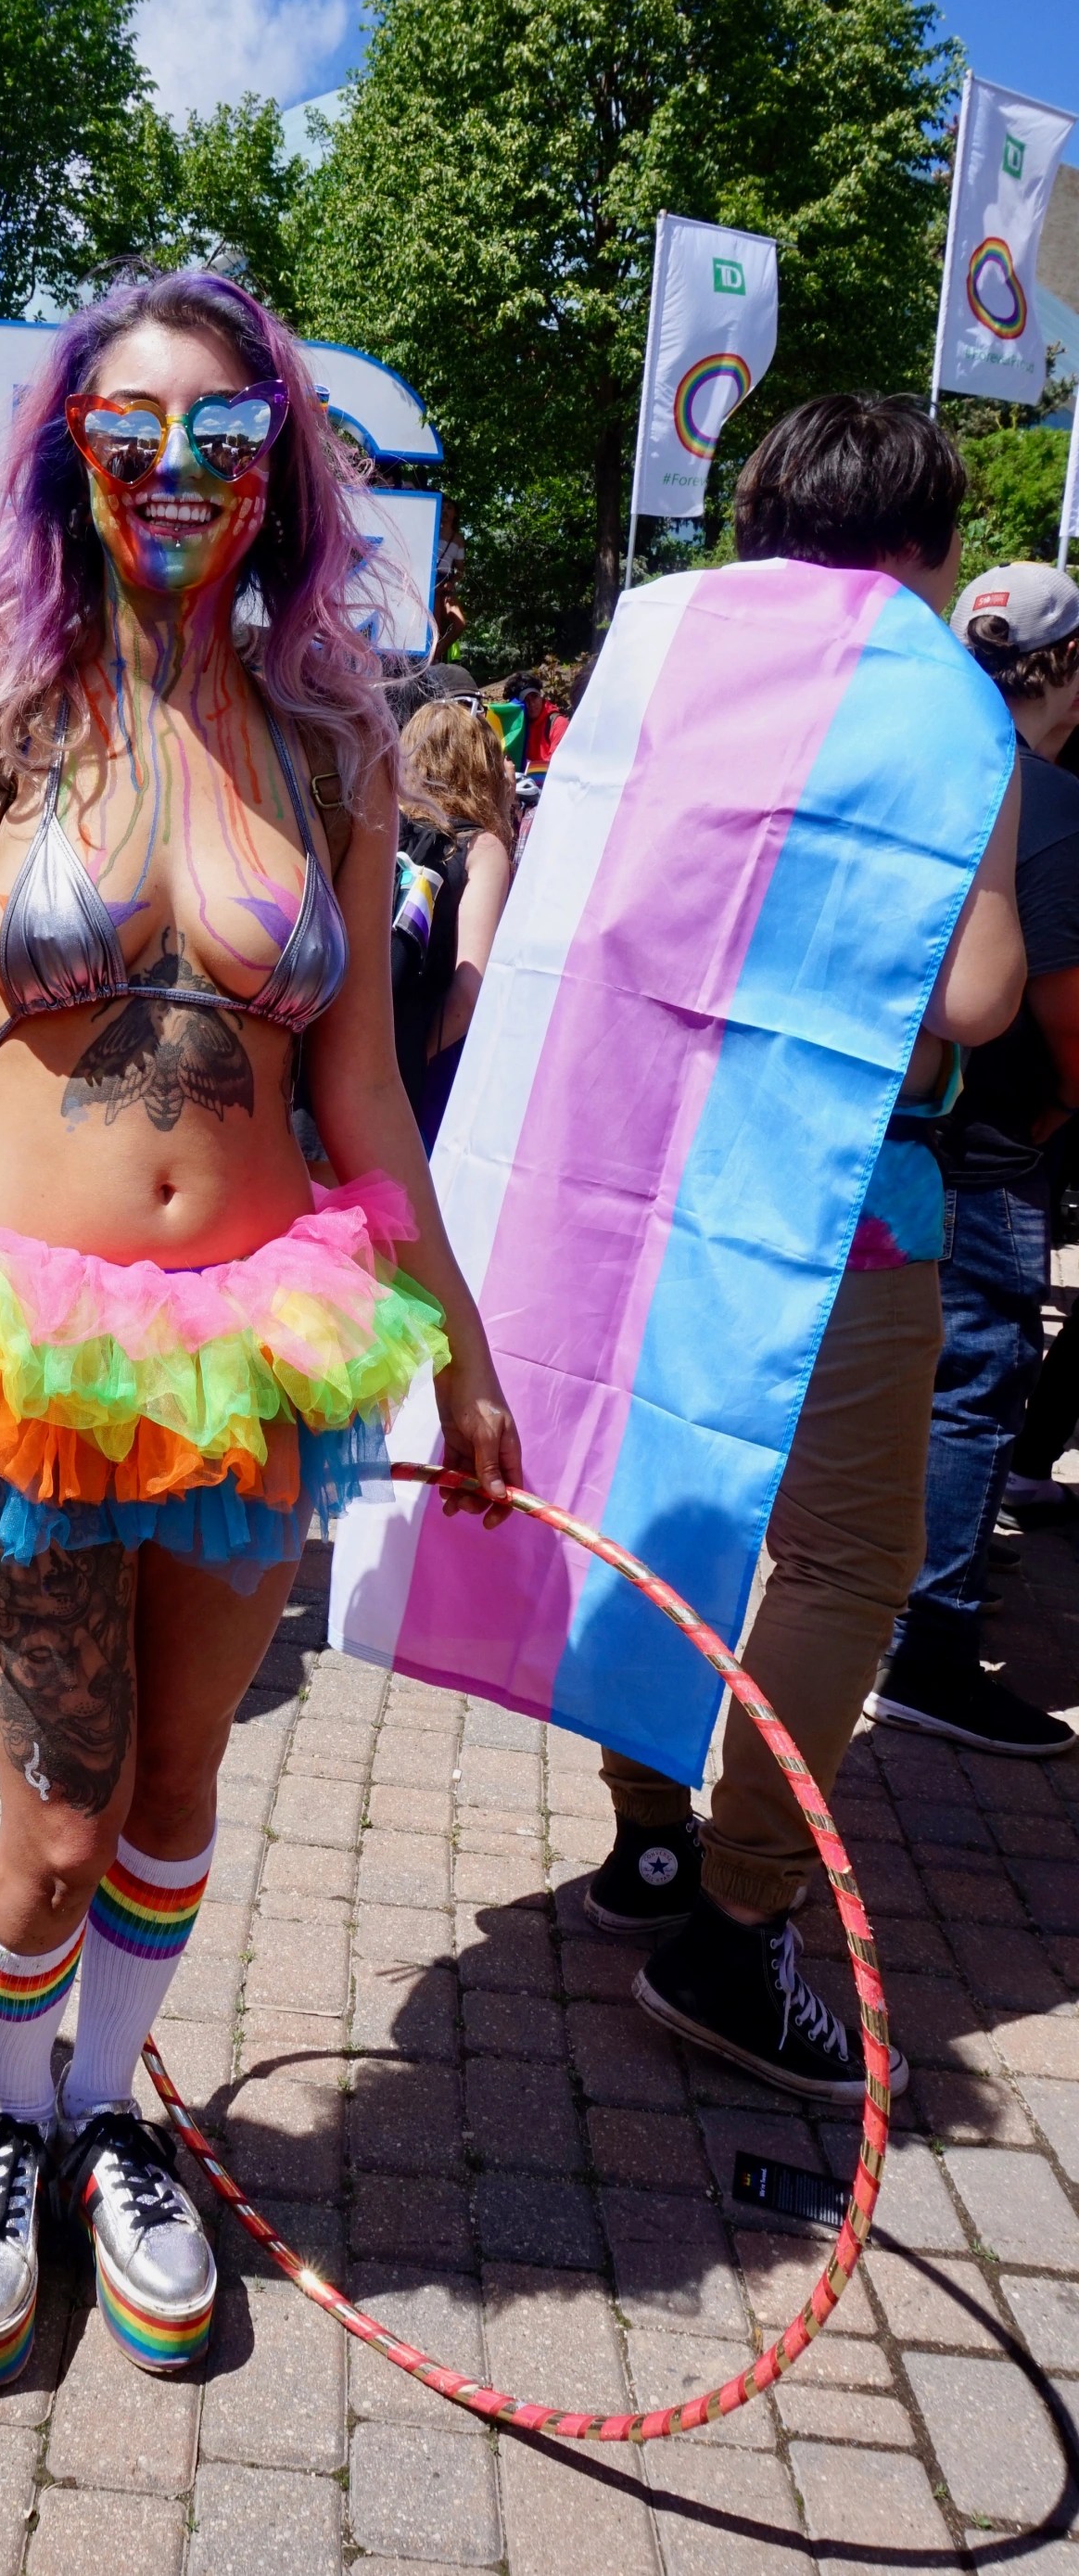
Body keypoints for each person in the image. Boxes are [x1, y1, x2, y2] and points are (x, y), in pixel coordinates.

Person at [0, 271, 518, 2388]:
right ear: (64, 461)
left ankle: (105, 2115)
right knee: (58, 1821)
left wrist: (462, 1348)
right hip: (27, 1339)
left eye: (224, 431)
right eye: (131, 428)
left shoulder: (337, 743)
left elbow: (364, 1089)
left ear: (282, 471)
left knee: (178, 1784)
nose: (177, 468)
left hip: (255, 1341)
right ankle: (4, 2122)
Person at [587, 396, 1026, 2104]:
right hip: (846, 1204)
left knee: (661, 1509)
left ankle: (647, 1834)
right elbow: (976, 995)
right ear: (923, 546)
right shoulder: (945, 707)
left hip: (647, 1171)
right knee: (845, 1561)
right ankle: (738, 1915)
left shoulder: (666, 662)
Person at [870, 559, 1079, 1759]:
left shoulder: (909, 763)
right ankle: (931, 1644)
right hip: (991, 1153)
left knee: (894, 1385)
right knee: (970, 1388)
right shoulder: (1044, 801)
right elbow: (1051, 1010)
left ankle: (880, 1598)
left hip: (894, 1138)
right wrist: (1059, 1109)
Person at [389, 678, 514, 1150]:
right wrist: (403, 1058)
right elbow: (468, 990)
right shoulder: (480, 847)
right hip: (406, 1081)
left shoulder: (377, 830)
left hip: (328, 1069)